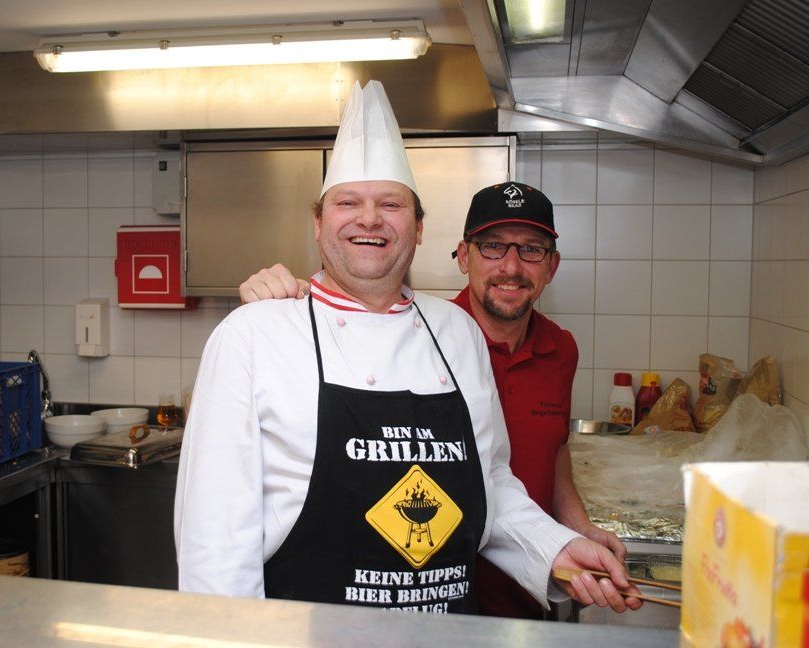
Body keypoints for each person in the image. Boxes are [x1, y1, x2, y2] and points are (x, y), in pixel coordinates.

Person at [176, 80, 640, 615]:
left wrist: (556, 547)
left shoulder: (457, 332)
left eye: (390, 204)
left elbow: (491, 484)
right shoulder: (253, 336)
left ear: (418, 228)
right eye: (348, 202)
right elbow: (215, 542)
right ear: (318, 223)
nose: (369, 219)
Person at [238, 183, 625, 619]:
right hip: (318, 622)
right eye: (493, 246)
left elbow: (500, 476)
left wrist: (562, 542)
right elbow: (221, 535)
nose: (511, 266)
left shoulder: (477, 338)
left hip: (481, 595)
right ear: (463, 256)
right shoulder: (260, 332)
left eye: (531, 249)